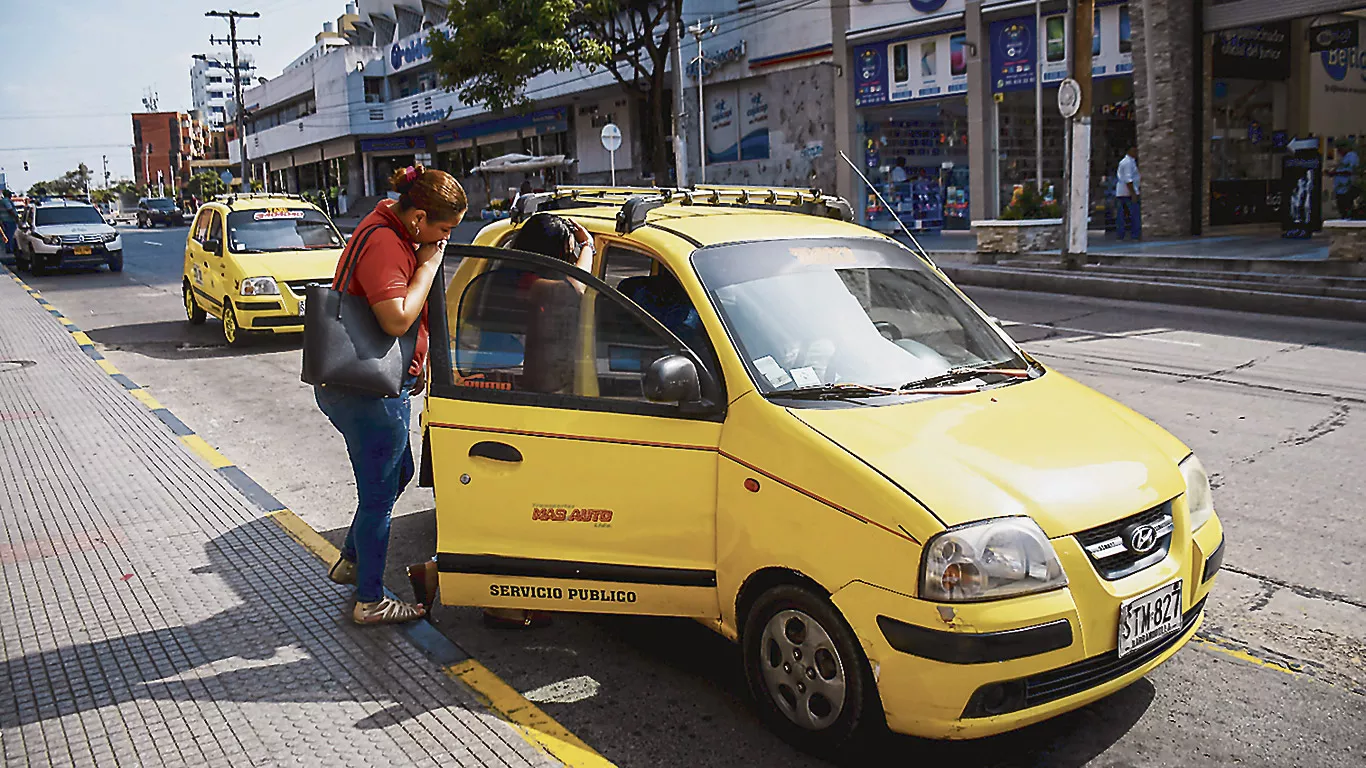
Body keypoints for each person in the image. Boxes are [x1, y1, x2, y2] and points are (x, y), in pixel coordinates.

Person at [317, 165, 468, 625]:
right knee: (380, 496)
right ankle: (370, 600)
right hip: (369, 393)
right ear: (419, 217)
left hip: (366, 387)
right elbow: (397, 319)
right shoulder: (386, 242)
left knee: (398, 471)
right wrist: (429, 266)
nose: (444, 239)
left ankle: (351, 560)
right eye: (443, 229)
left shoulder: (389, 222)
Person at [1115, 146, 1141, 241]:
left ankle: (1121, 234)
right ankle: (1134, 234)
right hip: (1127, 193)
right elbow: (1128, 179)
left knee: (1122, 214)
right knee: (1133, 213)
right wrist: (1133, 193)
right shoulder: (1127, 163)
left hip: (1123, 192)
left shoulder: (1130, 162)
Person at [1332, 139, 1359, 218]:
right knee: (1341, 209)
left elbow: (1350, 171)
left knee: (1346, 208)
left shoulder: (1352, 156)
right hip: (1340, 190)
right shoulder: (1343, 158)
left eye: (1340, 149)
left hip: (1347, 188)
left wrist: (1336, 173)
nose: (1339, 152)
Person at [0, 190, 17, 254]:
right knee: (11, 235)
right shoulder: (6, 200)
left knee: (7, 235)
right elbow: (10, 210)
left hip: (4, 220)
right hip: (9, 220)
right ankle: (10, 249)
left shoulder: (2, 201)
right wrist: (16, 218)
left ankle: (8, 248)